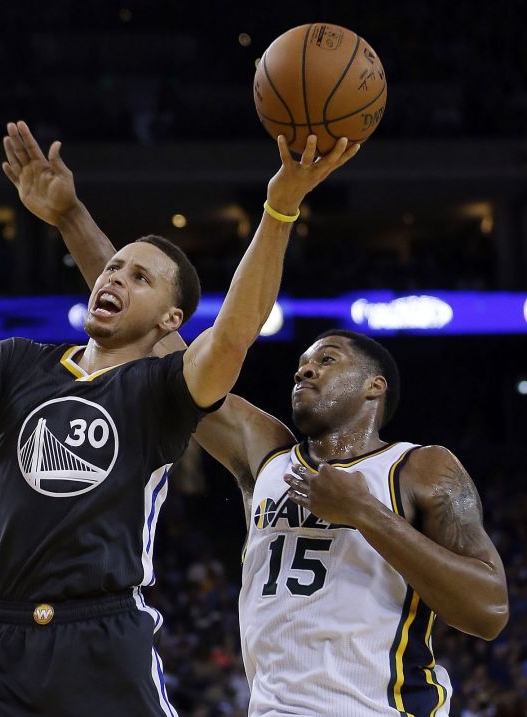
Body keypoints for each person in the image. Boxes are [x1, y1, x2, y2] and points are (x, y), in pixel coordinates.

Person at [0, 121, 358, 716]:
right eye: (113, 268)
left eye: (139, 277)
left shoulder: (162, 388)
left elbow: (233, 334)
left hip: (103, 639)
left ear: (170, 321)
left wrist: (279, 209)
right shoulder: (15, 360)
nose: (114, 277)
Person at [41, 128, 510, 715]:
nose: (304, 372)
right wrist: (69, 215)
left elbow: (489, 612)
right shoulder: (266, 453)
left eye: (326, 361)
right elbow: (155, 340)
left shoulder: (421, 467)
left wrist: (363, 511)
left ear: (376, 387)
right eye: (301, 364)